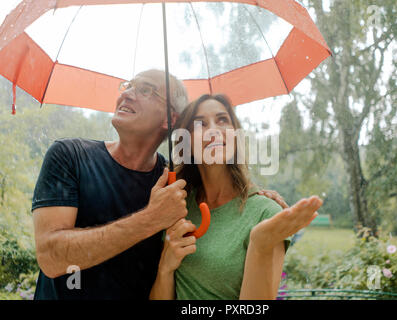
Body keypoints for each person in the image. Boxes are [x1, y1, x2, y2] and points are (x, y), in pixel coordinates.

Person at [31, 69, 288, 300]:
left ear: (170, 120)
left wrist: (259, 200)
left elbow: (222, 194)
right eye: (129, 85)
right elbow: (52, 259)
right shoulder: (70, 156)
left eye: (145, 89)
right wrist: (151, 219)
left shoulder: (174, 186)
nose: (128, 94)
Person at [149, 94, 322, 300]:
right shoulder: (177, 208)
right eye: (200, 124)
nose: (214, 129)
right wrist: (165, 268)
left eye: (223, 120)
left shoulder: (266, 213)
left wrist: (261, 245)